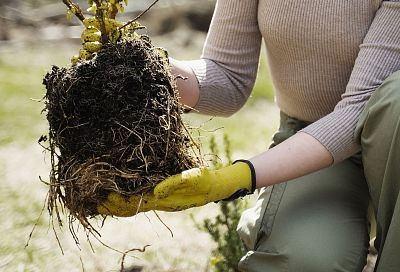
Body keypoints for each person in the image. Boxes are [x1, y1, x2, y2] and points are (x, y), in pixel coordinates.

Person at [98, 1, 400, 271]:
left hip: (394, 138)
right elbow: (227, 77)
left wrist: (236, 177)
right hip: (311, 143)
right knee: (308, 260)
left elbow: (358, 111)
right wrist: (150, 71)